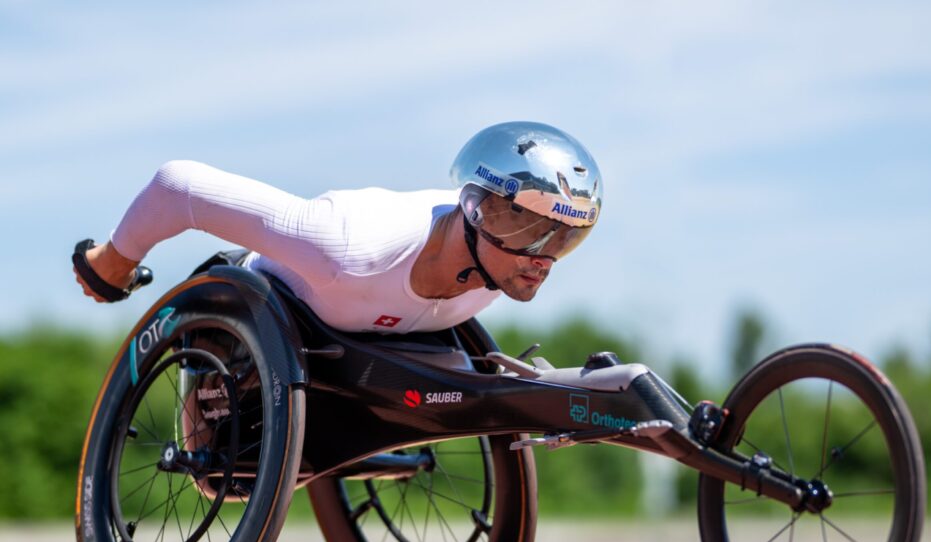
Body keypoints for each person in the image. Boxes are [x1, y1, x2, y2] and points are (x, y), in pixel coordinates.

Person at [73, 121, 602, 333]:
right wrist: (112, 265)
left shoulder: (499, 268)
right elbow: (179, 187)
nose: (543, 258)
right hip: (254, 323)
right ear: (480, 211)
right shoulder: (346, 244)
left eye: (564, 239)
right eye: (532, 233)